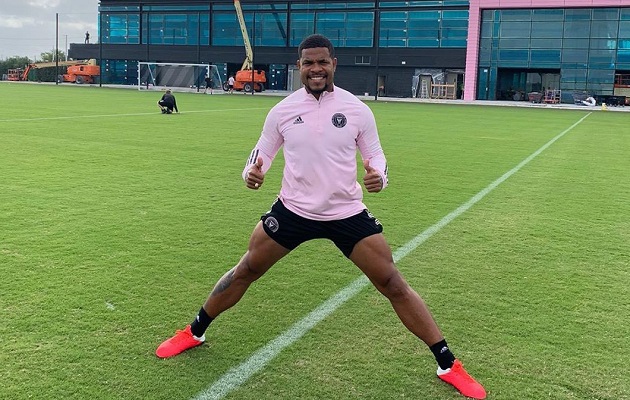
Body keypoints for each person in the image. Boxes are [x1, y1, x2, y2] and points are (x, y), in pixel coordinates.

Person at [155, 34, 486, 400]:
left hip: (345, 212)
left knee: (392, 282)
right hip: (293, 210)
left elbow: (376, 156)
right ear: (299, 66)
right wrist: (251, 173)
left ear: (333, 64)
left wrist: (380, 177)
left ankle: (447, 363)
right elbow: (259, 154)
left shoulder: (357, 109)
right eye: (309, 63)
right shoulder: (281, 111)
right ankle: (195, 331)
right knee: (246, 268)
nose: (316, 69)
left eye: (322, 62)